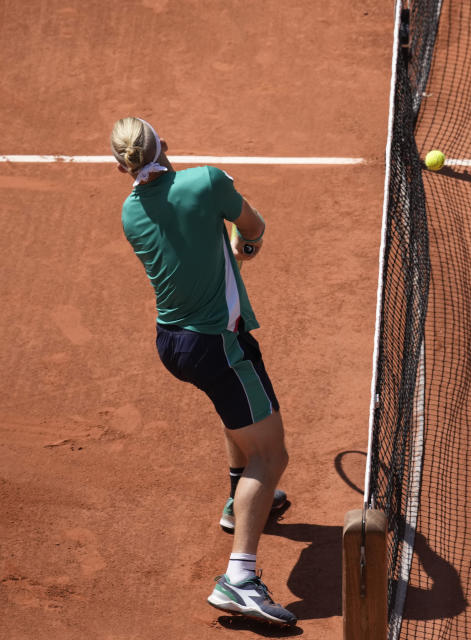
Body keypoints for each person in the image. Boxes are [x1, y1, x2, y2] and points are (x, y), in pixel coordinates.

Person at [112, 117, 296, 627]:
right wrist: (246, 246)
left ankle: (237, 502)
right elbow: (252, 227)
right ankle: (240, 579)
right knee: (272, 453)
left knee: (233, 410)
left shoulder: (130, 213)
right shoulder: (207, 180)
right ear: (163, 146)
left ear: (120, 165)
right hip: (218, 344)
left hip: (174, 343)